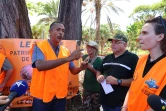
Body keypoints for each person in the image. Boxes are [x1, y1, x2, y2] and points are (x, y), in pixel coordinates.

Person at [30, 21, 88, 111]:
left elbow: (72, 70)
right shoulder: (40, 46)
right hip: (42, 96)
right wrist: (67, 59)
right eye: (58, 30)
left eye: (63, 31)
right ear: (50, 31)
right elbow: (39, 65)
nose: (61, 32)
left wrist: (81, 68)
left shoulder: (65, 51)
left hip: (60, 96)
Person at [121, 16, 166, 111]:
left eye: (144, 33)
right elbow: (132, 87)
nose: (139, 38)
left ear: (160, 37)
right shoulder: (141, 60)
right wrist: (124, 107)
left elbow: (161, 105)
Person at [97, 33, 139, 111]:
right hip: (104, 101)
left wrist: (118, 81)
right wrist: (99, 76)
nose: (113, 44)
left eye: (117, 42)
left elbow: (136, 81)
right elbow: (99, 71)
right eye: (112, 42)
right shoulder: (107, 57)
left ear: (125, 44)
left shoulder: (133, 58)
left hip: (120, 104)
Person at [82, 41, 103, 111]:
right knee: (86, 107)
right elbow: (79, 55)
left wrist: (91, 68)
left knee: (95, 108)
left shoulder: (99, 61)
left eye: (91, 48)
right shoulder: (85, 57)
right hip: (86, 88)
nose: (88, 49)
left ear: (95, 49)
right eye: (88, 48)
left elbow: (100, 75)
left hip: (95, 89)